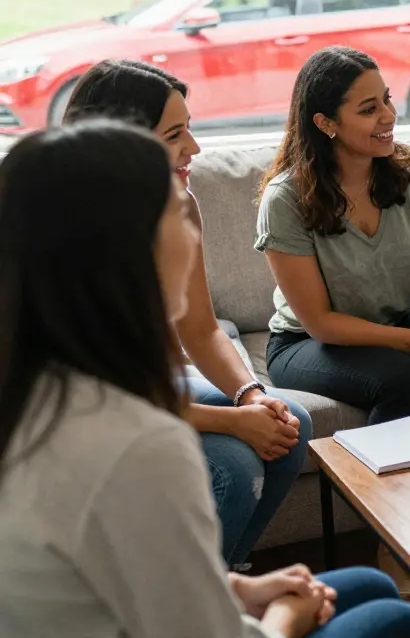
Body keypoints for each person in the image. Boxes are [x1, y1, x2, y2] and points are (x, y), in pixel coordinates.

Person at [0, 121, 410, 638]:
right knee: (395, 618)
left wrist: (242, 590)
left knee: (367, 587)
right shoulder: (141, 447)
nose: (190, 230)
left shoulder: (35, 389)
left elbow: (125, 576)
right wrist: (286, 616)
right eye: (174, 214)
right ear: (124, 252)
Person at [63, 59, 311, 570]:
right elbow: (102, 396)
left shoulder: (180, 205)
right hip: (86, 407)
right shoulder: (69, 231)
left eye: (190, 129)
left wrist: (252, 397)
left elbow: (199, 328)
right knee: (234, 467)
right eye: (175, 134)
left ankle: (224, 582)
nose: (194, 149)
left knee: (290, 424)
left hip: (147, 387)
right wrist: (233, 423)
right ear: (122, 141)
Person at [257, 46, 410, 425]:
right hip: (306, 342)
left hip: (394, 321)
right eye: (369, 109)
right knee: (402, 380)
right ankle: (382, 485)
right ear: (325, 123)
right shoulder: (285, 199)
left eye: (386, 99)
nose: (388, 115)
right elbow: (320, 322)